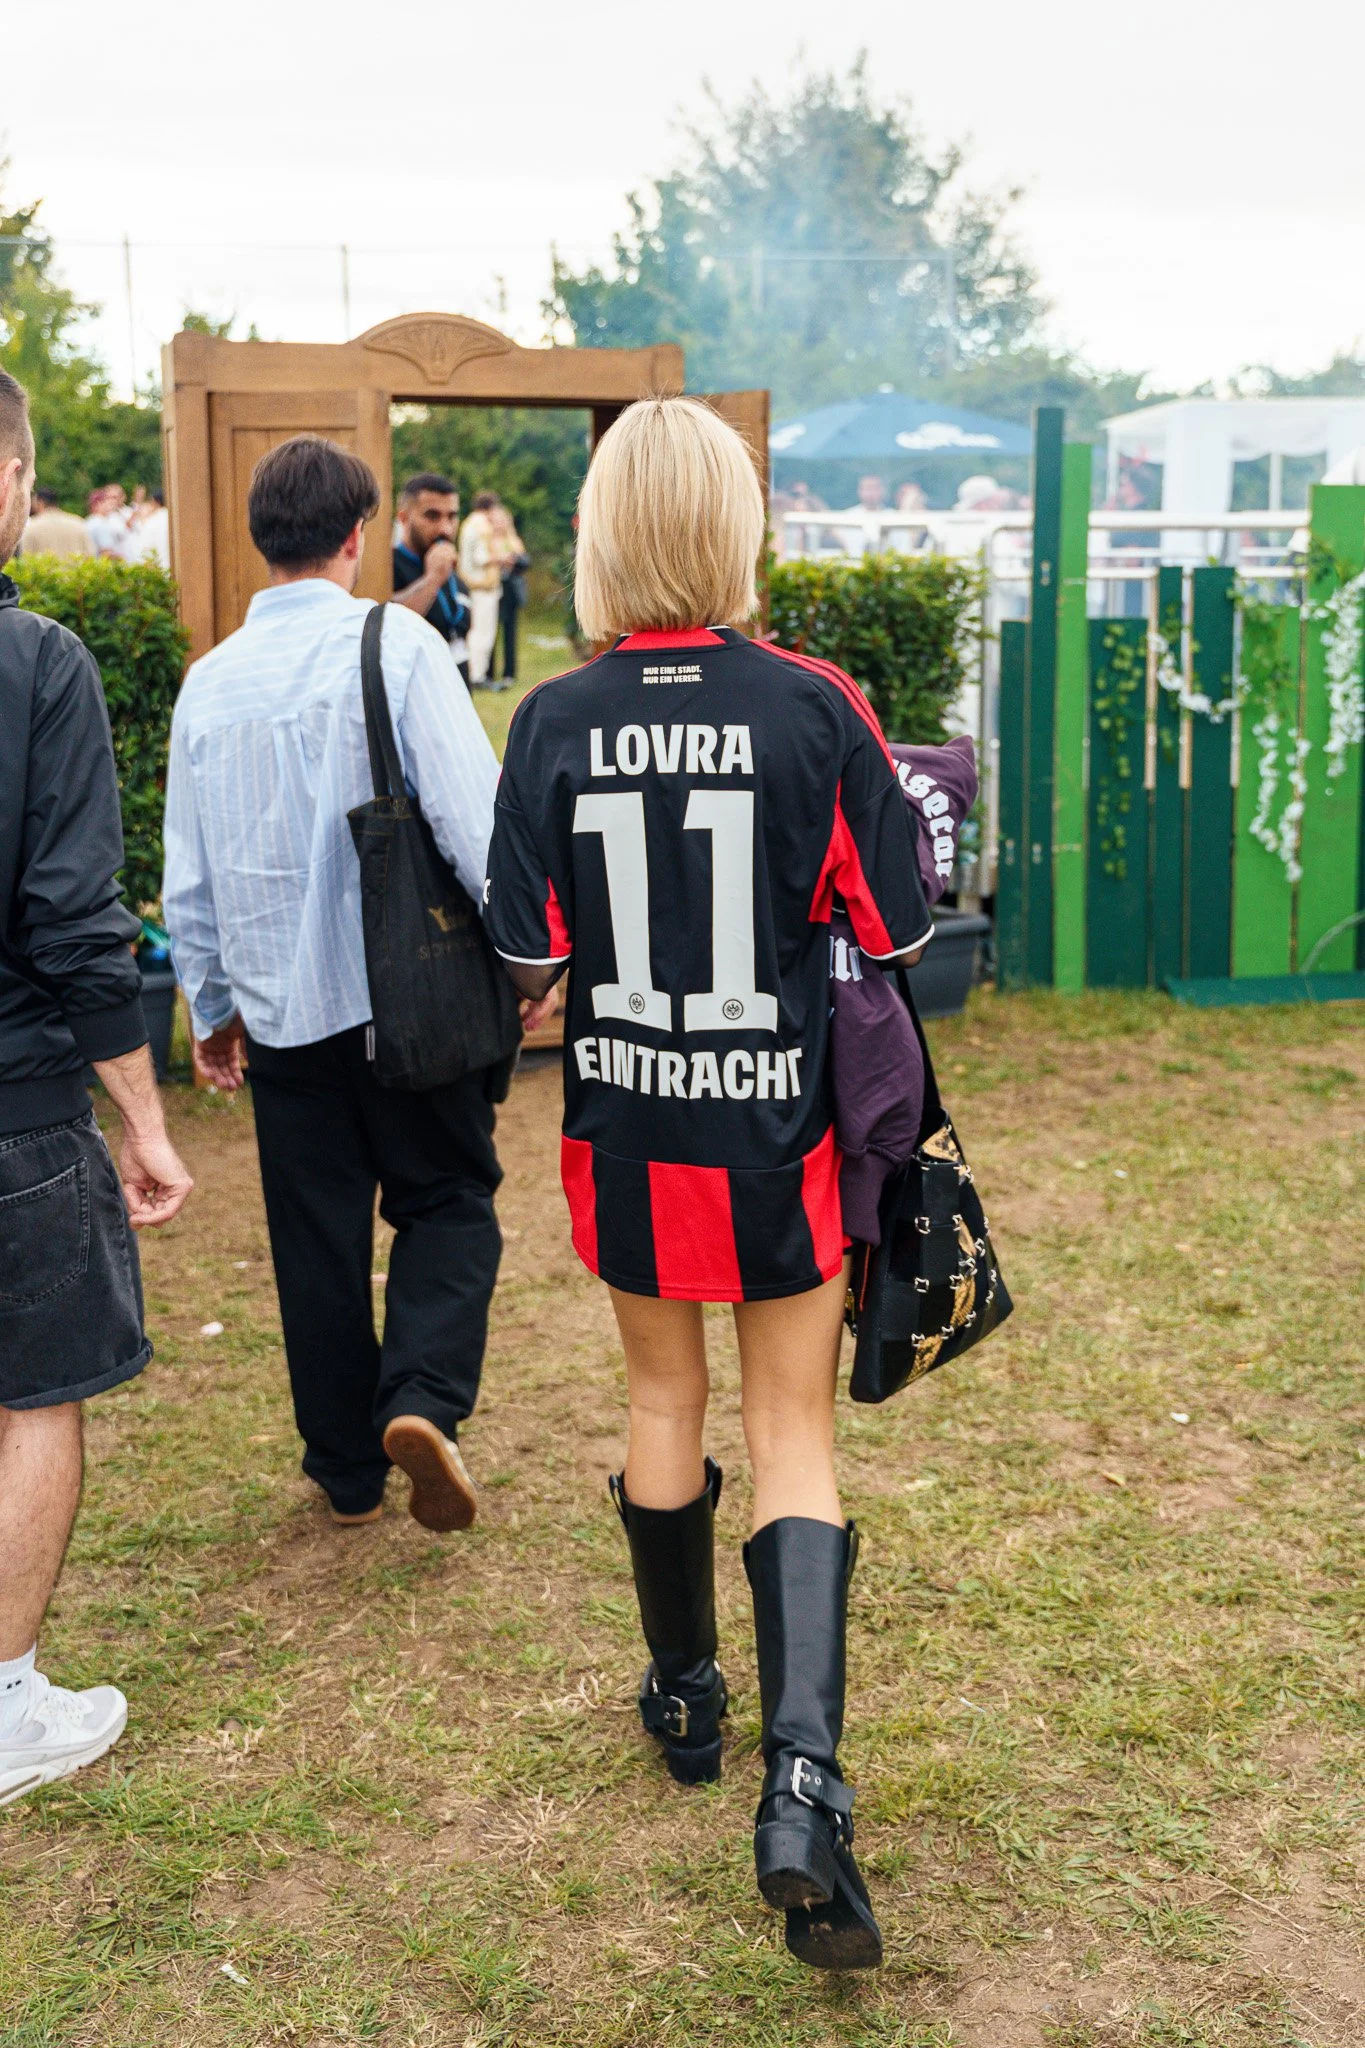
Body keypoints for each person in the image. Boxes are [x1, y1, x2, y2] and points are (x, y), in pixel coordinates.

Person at [484, 397, 932, 1972]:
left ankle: (684, 1697)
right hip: (777, 1136)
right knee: (790, 1424)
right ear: (734, 526)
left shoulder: (545, 718)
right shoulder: (817, 703)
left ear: (602, 534)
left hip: (624, 1126)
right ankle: (800, 1786)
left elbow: (529, 954)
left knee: (660, 1407)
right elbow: (901, 932)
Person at [162, 436, 554, 1535]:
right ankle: (421, 1397)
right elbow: (476, 827)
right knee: (448, 1200)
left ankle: (343, 1463)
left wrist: (212, 1006)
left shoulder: (208, 682)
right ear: (355, 534)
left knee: (315, 1235)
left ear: (261, 536)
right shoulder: (399, 643)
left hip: (285, 1014)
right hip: (415, 1001)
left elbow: (186, 873)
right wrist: (530, 964)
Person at [0, 370, 194, 1809]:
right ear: (8, 481)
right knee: (35, 1395)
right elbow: (75, 919)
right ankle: (7, 1703)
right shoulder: (37, 666)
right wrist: (143, 1115)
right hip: (13, 1108)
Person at [391, 471, 473, 686]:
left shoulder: (450, 571)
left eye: (452, 516)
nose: (444, 528)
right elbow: (388, 627)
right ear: (404, 518)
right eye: (432, 516)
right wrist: (432, 579)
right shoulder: (388, 566)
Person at [458, 490, 503, 687]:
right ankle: (478, 676)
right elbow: (481, 557)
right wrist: (502, 558)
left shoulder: (468, 523)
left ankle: (475, 673)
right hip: (482, 587)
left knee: (475, 632)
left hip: (470, 584)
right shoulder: (482, 526)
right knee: (483, 633)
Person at [492, 503, 529, 686]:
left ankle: (509, 673)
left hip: (510, 589)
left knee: (509, 632)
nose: (498, 525)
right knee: (490, 631)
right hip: (492, 587)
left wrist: (513, 559)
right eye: (495, 521)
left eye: (501, 521)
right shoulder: (488, 541)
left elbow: (525, 563)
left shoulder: (513, 541)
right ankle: (488, 672)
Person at [20, 485, 94, 560]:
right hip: (75, 571)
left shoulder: (31, 526)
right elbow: (90, 555)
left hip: (44, 571)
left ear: (40, 503)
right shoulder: (78, 523)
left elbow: (26, 559)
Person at [125, 487, 169, 567]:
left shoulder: (152, 521)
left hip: (157, 567)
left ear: (155, 502)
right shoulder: (172, 517)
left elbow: (145, 551)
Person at [85, 485, 130, 560]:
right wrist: (122, 559)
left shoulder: (89, 520)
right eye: (106, 501)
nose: (110, 504)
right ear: (98, 504)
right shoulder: (101, 524)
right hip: (100, 568)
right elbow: (106, 553)